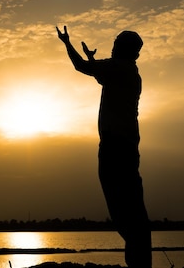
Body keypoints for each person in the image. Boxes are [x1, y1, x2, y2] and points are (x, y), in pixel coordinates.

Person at [56, 25, 151, 268]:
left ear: (126, 50)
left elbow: (84, 69)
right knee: (130, 210)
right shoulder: (127, 72)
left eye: (117, 42)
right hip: (124, 147)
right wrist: (91, 57)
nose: (113, 44)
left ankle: (139, 263)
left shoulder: (120, 68)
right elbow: (101, 75)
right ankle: (139, 261)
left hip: (116, 148)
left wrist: (67, 43)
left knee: (124, 211)